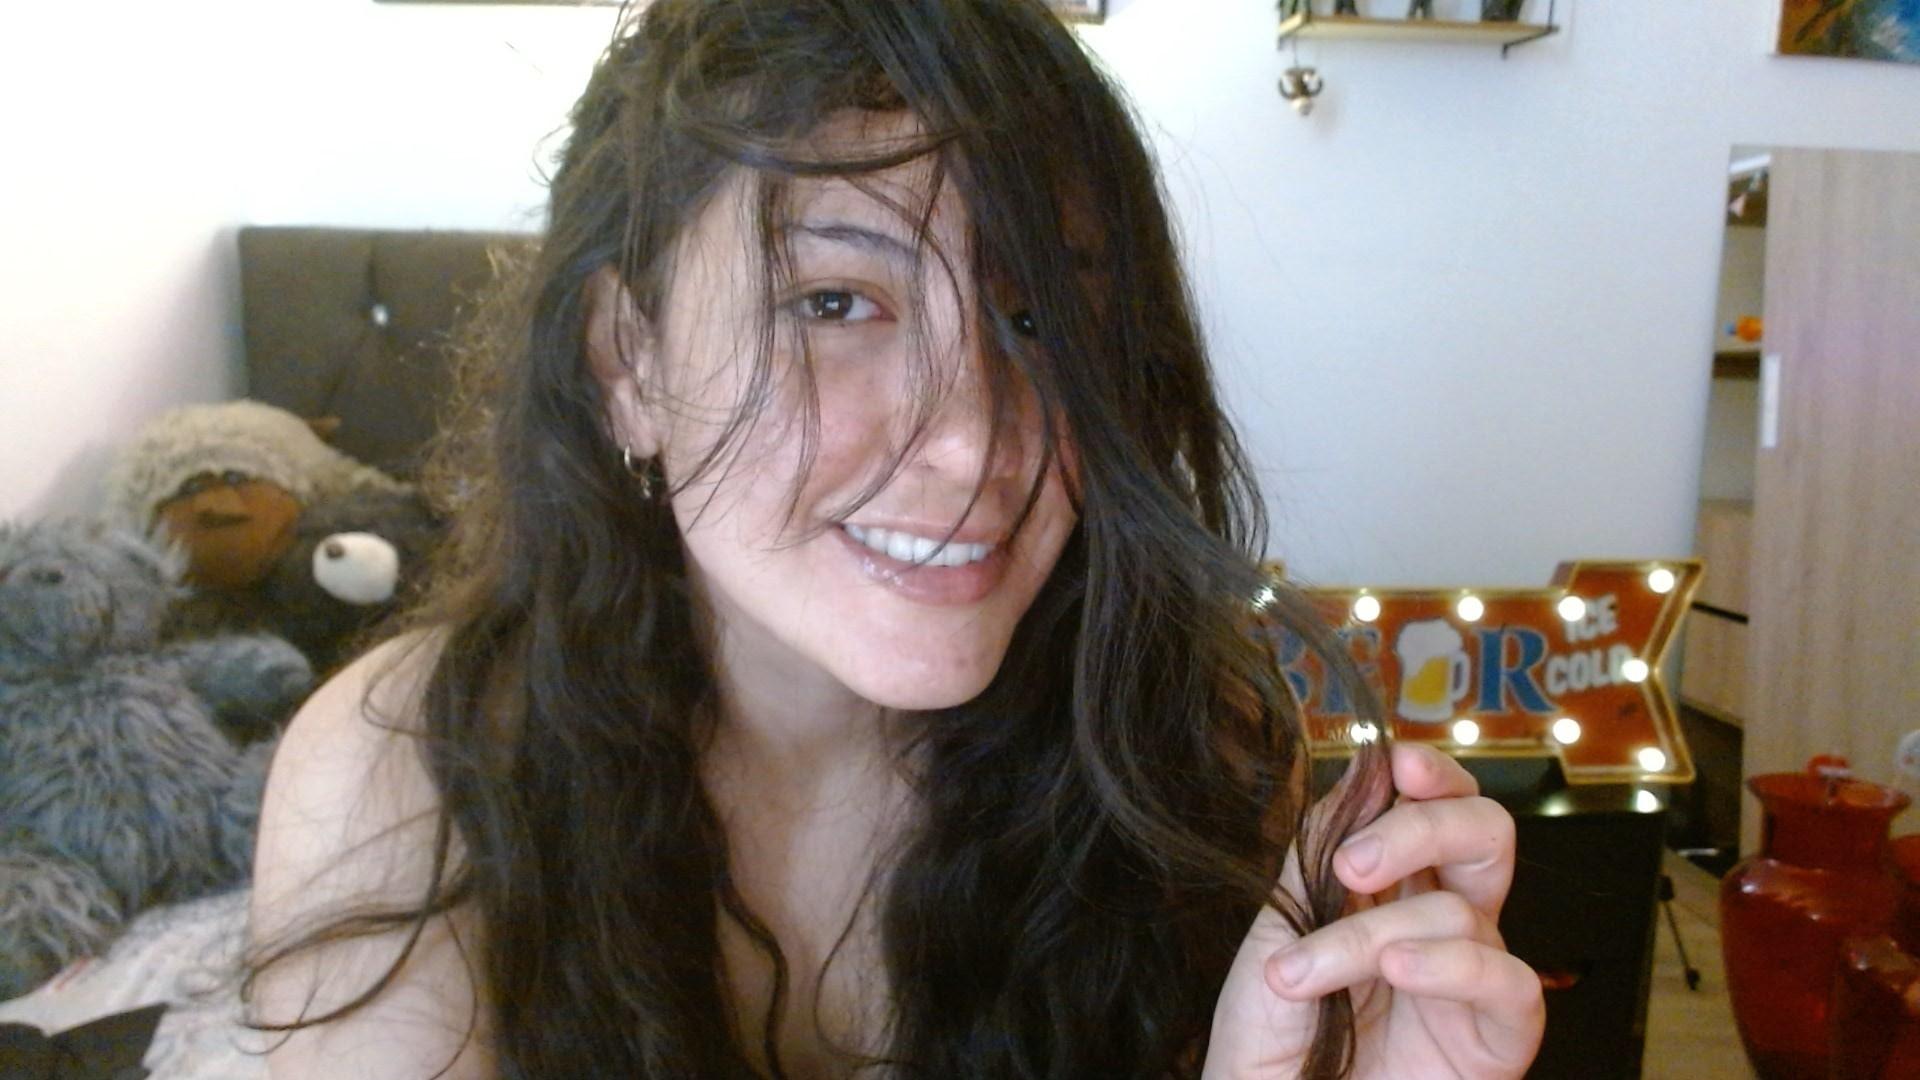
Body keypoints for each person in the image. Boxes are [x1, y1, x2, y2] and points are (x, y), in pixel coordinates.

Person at [242, 1, 1545, 1077]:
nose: (974, 440)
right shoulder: (411, 775)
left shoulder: (1192, 752)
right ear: (627, 361)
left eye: (1041, 319)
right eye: (833, 302)